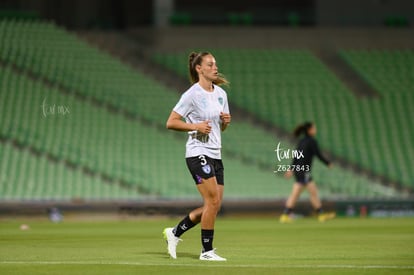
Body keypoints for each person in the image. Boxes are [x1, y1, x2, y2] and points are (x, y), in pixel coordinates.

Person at [163, 51, 231, 261]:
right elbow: (171, 122)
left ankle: (175, 232)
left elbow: (222, 128)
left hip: (215, 153)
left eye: (215, 64)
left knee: (214, 205)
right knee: (211, 201)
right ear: (199, 68)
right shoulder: (191, 95)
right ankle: (206, 251)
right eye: (210, 64)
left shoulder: (220, 94)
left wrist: (225, 122)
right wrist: (195, 126)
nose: (215, 67)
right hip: (197, 152)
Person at [280, 122, 335, 223]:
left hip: (299, 170)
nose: (315, 130)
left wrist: (291, 169)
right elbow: (318, 155)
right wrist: (328, 163)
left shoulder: (301, 142)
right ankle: (320, 214)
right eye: (314, 128)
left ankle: (286, 215)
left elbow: (296, 156)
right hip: (304, 170)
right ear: (309, 130)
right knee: (309, 192)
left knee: (302, 192)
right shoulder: (311, 141)